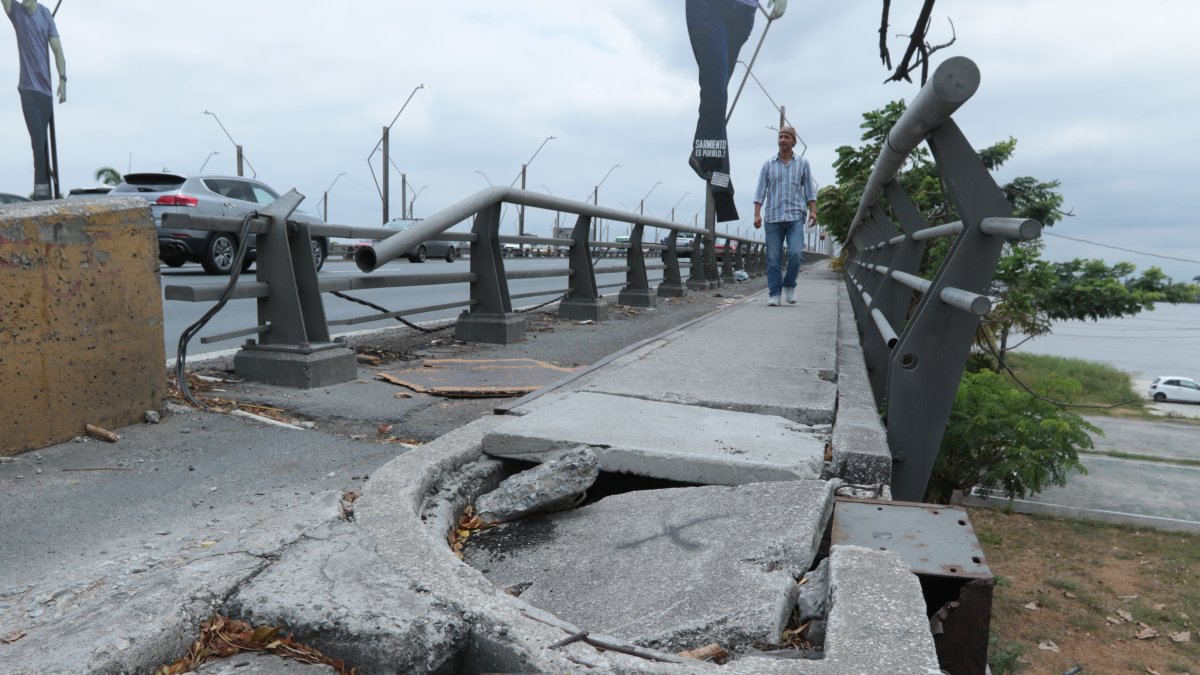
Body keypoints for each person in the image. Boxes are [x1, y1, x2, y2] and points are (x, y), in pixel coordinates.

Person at [686, 0, 785, 222]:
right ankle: (721, 182)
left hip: (744, 13)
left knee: (716, 93)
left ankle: (699, 154)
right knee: (715, 89)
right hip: (707, 7)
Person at [3, 0, 66, 200]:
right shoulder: (17, 13)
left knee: (44, 144)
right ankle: (42, 195)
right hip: (28, 89)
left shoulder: (46, 15)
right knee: (38, 143)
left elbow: (57, 49)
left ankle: (47, 190)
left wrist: (63, 80)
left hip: (46, 92)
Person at [753, 125, 816, 306]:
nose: (782, 140)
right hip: (772, 218)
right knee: (773, 258)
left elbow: (810, 191)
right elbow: (760, 192)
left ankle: (789, 285)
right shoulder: (768, 165)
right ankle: (774, 294)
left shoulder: (803, 164)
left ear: (794, 141)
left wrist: (813, 210)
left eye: (787, 137)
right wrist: (757, 214)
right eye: (780, 137)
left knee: (795, 253)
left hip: (795, 217)